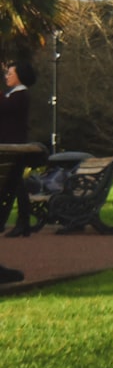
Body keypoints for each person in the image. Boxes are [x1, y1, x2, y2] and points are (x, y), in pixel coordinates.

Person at [1, 61, 37, 237]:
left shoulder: (20, 95)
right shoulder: (15, 95)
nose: (6, 76)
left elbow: (5, 109)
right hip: (12, 145)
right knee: (17, 184)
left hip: (14, 146)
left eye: (10, 73)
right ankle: (23, 222)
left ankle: (23, 222)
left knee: (16, 184)